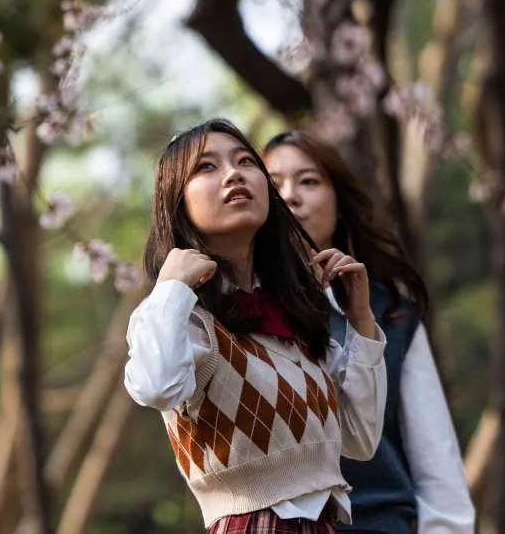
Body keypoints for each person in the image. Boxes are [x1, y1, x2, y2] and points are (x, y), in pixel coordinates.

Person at [124, 118, 388, 534]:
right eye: (206, 166)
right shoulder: (183, 317)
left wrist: (361, 321)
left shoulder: (295, 316)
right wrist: (172, 287)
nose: (234, 174)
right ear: (177, 201)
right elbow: (155, 387)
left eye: (246, 161)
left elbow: (359, 438)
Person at [263, 130, 475, 534]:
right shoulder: (236, 309)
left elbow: (436, 459)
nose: (290, 196)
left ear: (339, 204)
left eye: (309, 181)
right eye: (274, 185)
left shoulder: (391, 311)